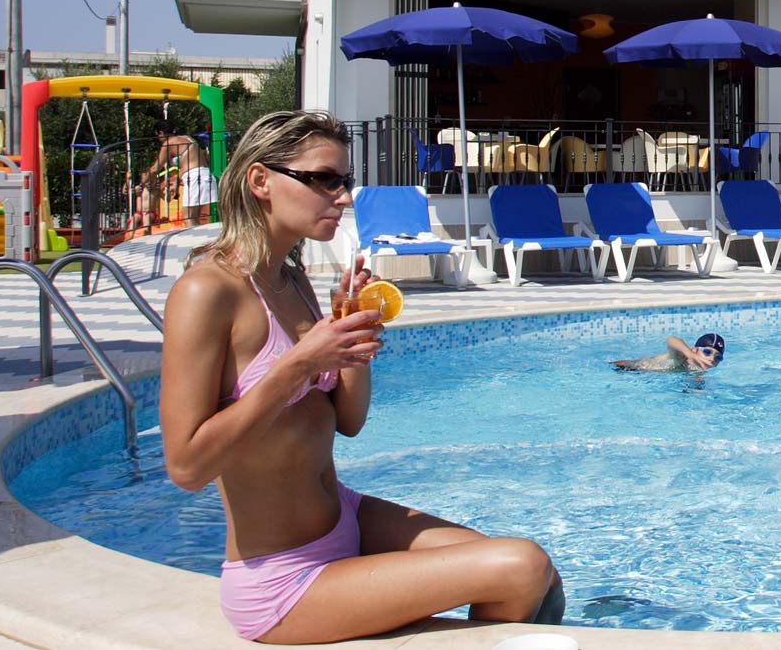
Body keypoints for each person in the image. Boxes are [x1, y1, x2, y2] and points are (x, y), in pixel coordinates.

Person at [159, 110, 563, 644]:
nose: (344, 197)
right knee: (521, 566)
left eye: (343, 180)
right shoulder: (206, 291)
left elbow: (348, 422)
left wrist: (351, 338)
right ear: (260, 181)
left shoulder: (292, 281)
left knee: (540, 578)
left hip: (343, 516)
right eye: (323, 179)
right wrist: (300, 364)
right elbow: (186, 467)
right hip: (283, 578)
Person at [145, 119, 218, 226]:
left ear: (161, 132)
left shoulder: (169, 143)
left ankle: (196, 237)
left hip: (194, 178)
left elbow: (155, 169)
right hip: (206, 174)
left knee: (188, 216)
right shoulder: (188, 138)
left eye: (157, 135)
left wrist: (144, 181)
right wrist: (176, 180)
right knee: (196, 217)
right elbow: (189, 164)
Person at [611, 334, 724, 372]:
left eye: (718, 357)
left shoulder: (698, 370)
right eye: (707, 352)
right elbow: (671, 340)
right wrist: (690, 354)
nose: (712, 358)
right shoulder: (682, 356)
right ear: (695, 350)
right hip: (624, 369)